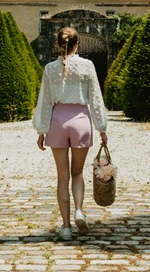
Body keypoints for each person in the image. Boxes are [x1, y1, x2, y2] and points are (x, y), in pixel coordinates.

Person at [33, 26, 108, 240]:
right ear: (78, 45)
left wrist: (41, 131)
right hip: (81, 121)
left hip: (58, 121)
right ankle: (79, 210)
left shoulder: (49, 68)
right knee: (77, 173)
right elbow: (95, 98)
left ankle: (65, 227)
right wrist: (102, 127)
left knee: (62, 177)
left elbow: (45, 102)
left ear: (58, 45)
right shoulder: (87, 66)